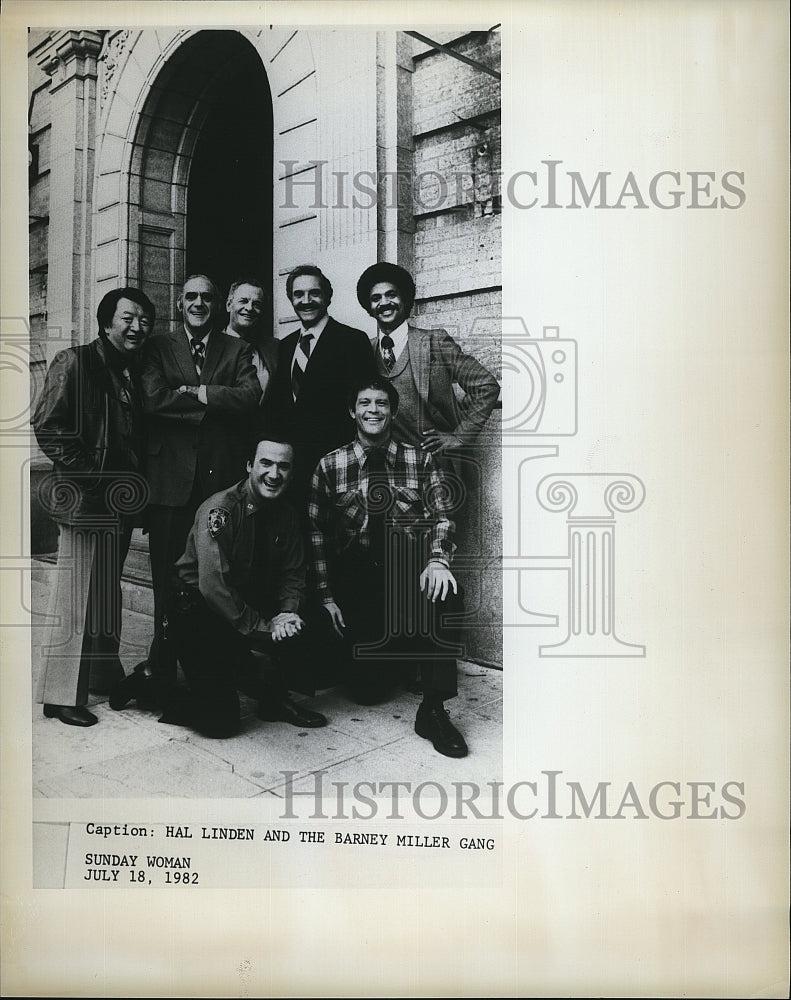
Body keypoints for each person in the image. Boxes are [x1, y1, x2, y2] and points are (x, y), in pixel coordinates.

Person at [111, 274, 260, 710]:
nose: (199, 303)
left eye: (207, 298)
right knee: (166, 580)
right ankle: (161, 670)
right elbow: (153, 398)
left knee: (216, 576)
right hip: (169, 485)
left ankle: (210, 673)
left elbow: (250, 396)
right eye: (191, 297)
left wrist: (194, 392)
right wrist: (216, 404)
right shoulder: (158, 347)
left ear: (219, 306)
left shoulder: (238, 349)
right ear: (180, 304)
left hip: (218, 486)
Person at [308, 376, 468, 758]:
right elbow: (316, 534)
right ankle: (397, 657)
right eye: (365, 403)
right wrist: (327, 597)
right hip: (358, 581)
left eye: (382, 403)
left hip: (406, 571)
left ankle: (433, 708)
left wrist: (437, 560)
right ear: (353, 411)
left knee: (448, 589)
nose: (373, 410)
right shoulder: (331, 464)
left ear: (393, 412)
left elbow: (442, 517)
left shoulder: (420, 459)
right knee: (367, 693)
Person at [32, 286, 155, 726]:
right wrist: (94, 476)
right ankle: (61, 695)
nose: (137, 327)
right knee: (76, 597)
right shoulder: (76, 361)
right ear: (106, 323)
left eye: (144, 320)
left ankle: (103, 674)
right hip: (86, 500)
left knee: (105, 593)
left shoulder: (130, 371)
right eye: (128, 318)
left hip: (119, 503)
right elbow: (48, 426)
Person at [167, 437, 328, 738]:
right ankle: (153, 689)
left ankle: (274, 699)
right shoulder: (221, 510)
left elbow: (293, 575)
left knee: (311, 621)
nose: (274, 474)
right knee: (220, 723)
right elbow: (213, 585)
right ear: (249, 466)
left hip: (242, 602)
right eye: (266, 463)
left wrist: (287, 616)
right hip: (198, 610)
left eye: (283, 466)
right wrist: (265, 627)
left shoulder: (287, 514)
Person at [355, 261, 500, 462]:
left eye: (392, 295)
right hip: (384, 468)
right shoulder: (364, 350)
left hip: (437, 466)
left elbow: (486, 386)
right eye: (376, 298)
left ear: (404, 300)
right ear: (369, 308)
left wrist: (459, 436)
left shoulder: (435, 342)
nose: (384, 302)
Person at [263, 264, 375, 507]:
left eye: (314, 293)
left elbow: (364, 408)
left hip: (337, 470)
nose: (306, 301)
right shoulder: (284, 346)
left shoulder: (352, 341)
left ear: (328, 296)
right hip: (291, 471)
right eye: (298, 294)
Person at [223, 276, 278, 405]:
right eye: (243, 301)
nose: (249, 308)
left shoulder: (274, 347)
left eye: (256, 304)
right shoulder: (210, 346)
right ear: (228, 305)